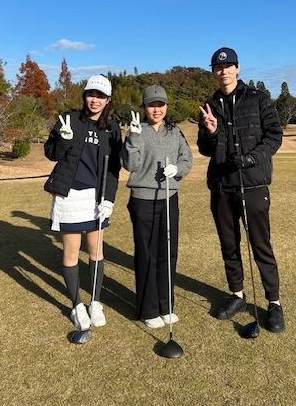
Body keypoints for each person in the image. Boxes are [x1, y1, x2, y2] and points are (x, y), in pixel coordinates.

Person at [197, 47, 285, 333]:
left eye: (228, 66)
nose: (223, 71)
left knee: (261, 245)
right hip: (221, 185)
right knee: (229, 244)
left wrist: (252, 158)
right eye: (218, 67)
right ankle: (237, 295)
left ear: (237, 68)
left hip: (253, 183)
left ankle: (274, 303)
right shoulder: (209, 105)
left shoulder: (258, 98)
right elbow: (204, 148)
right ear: (214, 71)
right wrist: (212, 131)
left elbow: (274, 135)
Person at [44, 74, 122, 331]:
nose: (95, 100)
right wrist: (63, 139)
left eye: (100, 96)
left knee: (96, 252)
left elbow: (114, 169)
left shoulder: (112, 128)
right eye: (91, 94)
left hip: (95, 198)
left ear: (108, 100)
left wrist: (109, 199)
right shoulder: (69, 120)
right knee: (71, 252)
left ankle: (95, 302)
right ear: (84, 96)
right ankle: (77, 304)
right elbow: (51, 153)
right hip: (69, 196)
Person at [121, 85, 192, 328]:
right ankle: (148, 309)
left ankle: (166, 305)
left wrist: (178, 170)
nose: (156, 109)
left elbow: (186, 158)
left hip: (169, 196)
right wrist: (133, 138)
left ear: (166, 107)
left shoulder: (175, 131)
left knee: (168, 252)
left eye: (160, 105)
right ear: (144, 107)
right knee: (147, 253)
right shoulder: (137, 130)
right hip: (143, 199)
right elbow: (130, 165)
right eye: (151, 105)